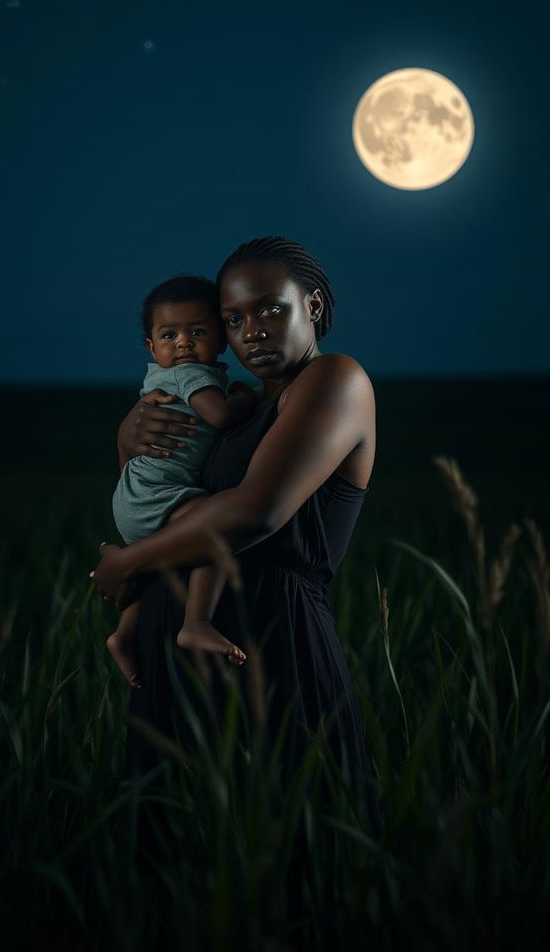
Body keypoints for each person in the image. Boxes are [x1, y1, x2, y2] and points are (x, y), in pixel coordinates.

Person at [91, 235, 380, 832]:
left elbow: (257, 511)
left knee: (287, 851)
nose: (252, 329)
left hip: (273, 642)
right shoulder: (230, 405)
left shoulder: (333, 381)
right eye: (234, 318)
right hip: (174, 650)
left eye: (272, 309)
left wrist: (129, 563)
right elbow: (159, 493)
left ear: (315, 307)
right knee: (180, 865)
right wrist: (126, 441)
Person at [108, 274, 259, 688]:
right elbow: (223, 416)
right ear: (151, 346)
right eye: (169, 334)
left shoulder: (157, 378)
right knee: (211, 530)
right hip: (159, 494)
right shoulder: (191, 376)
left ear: (221, 338)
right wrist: (247, 397)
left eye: (197, 332)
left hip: (135, 495)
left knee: (163, 569)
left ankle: (123, 635)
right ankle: (197, 622)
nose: (183, 343)